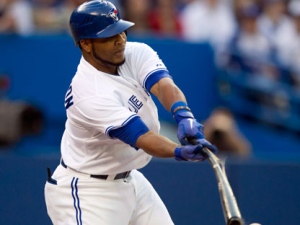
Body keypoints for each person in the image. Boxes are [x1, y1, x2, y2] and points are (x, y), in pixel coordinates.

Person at [44, 1, 217, 225]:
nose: (121, 40)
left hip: (130, 178)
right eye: (109, 36)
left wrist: (184, 115)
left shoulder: (134, 52)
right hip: (88, 190)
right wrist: (179, 151)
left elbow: (164, 86)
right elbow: (142, 137)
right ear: (86, 44)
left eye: (121, 30)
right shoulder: (88, 92)